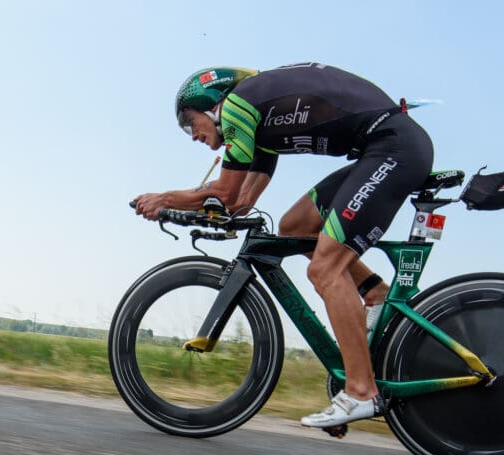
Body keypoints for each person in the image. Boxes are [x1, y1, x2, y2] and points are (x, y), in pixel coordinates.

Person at [134, 63, 434, 428]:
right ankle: (375, 293)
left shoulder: (237, 108)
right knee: (297, 225)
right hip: (385, 147)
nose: (192, 135)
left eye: (189, 122)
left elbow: (225, 193)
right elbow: (240, 202)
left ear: (212, 104)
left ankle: (360, 391)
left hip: (393, 149)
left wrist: (164, 199)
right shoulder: (257, 126)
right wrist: (199, 212)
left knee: (325, 269)